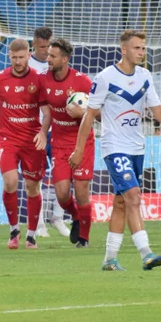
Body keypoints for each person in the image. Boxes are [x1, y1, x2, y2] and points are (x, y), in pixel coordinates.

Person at [71, 29, 161, 271]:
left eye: (143, 48)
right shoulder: (105, 77)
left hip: (137, 147)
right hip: (114, 146)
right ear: (124, 50)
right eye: (137, 48)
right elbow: (89, 115)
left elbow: (156, 110)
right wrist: (80, 149)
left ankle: (109, 260)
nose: (141, 52)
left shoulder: (145, 76)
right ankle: (146, 253)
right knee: (133, 196)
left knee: (122, 203)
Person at [0, 39, 51, 249]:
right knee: (10, 181)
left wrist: (43, 133)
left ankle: (32, 235)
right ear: (9, 56)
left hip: (32, 139)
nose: (18, 61)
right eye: (14, 58)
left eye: (22, 57)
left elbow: (47, 112)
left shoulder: (38, 79)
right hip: (7, 138)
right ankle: (14, 230)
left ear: (28, 55)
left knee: (33, 187)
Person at [42, 38, 94, 247]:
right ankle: (76, 217)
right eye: (48, 55)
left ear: (65, 59)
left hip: (82, 142)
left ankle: (84, 238)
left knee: (81, 191)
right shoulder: (43, 79)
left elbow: (98, 112)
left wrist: (83, 112)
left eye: (52, 56)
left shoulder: (82, 82)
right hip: (59, 142)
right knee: (62, 194)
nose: (48, 59)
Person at [27, 26, 70, 239]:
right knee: (37, 177)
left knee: (63, 174)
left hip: (59, 128)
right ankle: (40, 223)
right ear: (33, 45)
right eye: (42, 47)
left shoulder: (57, 65)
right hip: (35, 130)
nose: (46, 52)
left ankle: (58, 218)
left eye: (49, 48)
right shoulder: (27, 65)